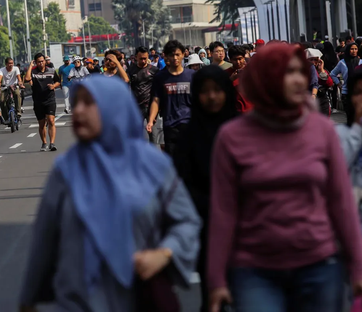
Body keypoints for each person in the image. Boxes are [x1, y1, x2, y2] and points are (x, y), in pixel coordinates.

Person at [207, 43, 362, 312]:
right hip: (254, 270)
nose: (300, 79)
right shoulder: (232, 137)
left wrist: (360, 268)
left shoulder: (321, 130)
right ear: (265, 78)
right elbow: (224, 212)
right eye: (288, 72)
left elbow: (341, 202)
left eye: (300, 71)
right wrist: (215, 278)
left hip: (319, 265)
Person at [18, 75, 201, 312]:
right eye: (76, 103)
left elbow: (186, 221)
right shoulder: (66, 169)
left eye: (89, 103)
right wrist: (28, 299)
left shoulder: (152, 164)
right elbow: (45, 240)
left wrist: (165, 253)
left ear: (114, 108)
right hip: (77, 300)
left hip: (138, 297)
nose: (79, 110)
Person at [173, 65, 237, 312]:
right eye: (205, 91)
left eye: (217, 90)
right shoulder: (189, 137)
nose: (212, 97)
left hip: (247, 228)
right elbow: (181, 184)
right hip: (205, 227)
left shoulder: (244, 131)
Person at [336, 70, 362, 312]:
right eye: (358, 93)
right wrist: (357, 132)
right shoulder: (340, 133)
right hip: (353, 222)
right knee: (360, 293)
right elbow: (337, 167)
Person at [147, 40, 195, 156]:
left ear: (183, 54)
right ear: (166, 56)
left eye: (177, 54)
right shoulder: (160, 77)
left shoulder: (192, 75)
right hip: (170, 124)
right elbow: (156, 100)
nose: (175, 58)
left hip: (190, 124)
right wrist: (150, 120)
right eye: (172, 55)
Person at [25, 53, 60, 152]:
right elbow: (27, 79)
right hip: (38, 100)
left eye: (42, 61)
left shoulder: (51, 70)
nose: (41, 63)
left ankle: (52, 143)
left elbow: (58, 81)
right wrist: (30, 67)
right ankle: (44, 143)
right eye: (38, 62)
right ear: (35, 62)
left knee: (51, 120)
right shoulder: (33, 71)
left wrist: (53, 86)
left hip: (50, 99)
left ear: (45, 61)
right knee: (42, 124)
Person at [127, 46, 160, 143]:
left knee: (153, 137)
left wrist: (158, 110)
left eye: (145, 58)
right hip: (136, 107)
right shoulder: (130, 70)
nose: (143, 60)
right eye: (141, 58)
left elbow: (159, 89)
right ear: (136, 57)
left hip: (151, 106)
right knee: (137, 137)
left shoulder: (154, 70)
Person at [331, 43, 362, 124]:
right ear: (348, 50)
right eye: (352, 49)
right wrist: (338, 84)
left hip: (359, 93)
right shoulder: (342, 63)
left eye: (356, 49)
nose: (354, 51)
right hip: (346, 93)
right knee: (350, 117)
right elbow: (332, 74)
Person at [226, 45, 253, 113]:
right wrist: (230, 80)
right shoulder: (226, 74)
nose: (238, 62)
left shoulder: (252, 70)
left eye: (240, 59)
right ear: (230, 59)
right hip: (235, 112)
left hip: (252, 110)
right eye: (235, 60)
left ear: (244, 58)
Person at [307, 48, 333, 116]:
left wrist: (321, 70)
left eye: (315, 59)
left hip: (322, 100)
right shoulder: (305, 71)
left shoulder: (322, 70)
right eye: (311, 59)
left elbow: (330, 83)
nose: (313, 62)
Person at [0, 57, 24, 124]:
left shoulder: (16, 69)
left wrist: (20, 83)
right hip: (5, 88)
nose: (11, 65)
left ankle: (18, 112)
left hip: (14, 86)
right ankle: (6, 118)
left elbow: (18, 77)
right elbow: (0, 78)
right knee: (2, 101)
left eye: (12, 63)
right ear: (6, 64)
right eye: (9, 63)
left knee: (17, 94)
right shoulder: (2, 70)